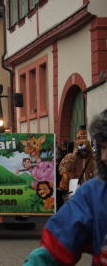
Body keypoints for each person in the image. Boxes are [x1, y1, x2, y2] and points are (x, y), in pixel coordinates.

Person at [24, 109, 107, 265]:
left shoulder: (92, 160)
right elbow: (57, 244)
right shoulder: (94, 194)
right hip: (77, 185)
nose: (104, 156)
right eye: (102, 147)